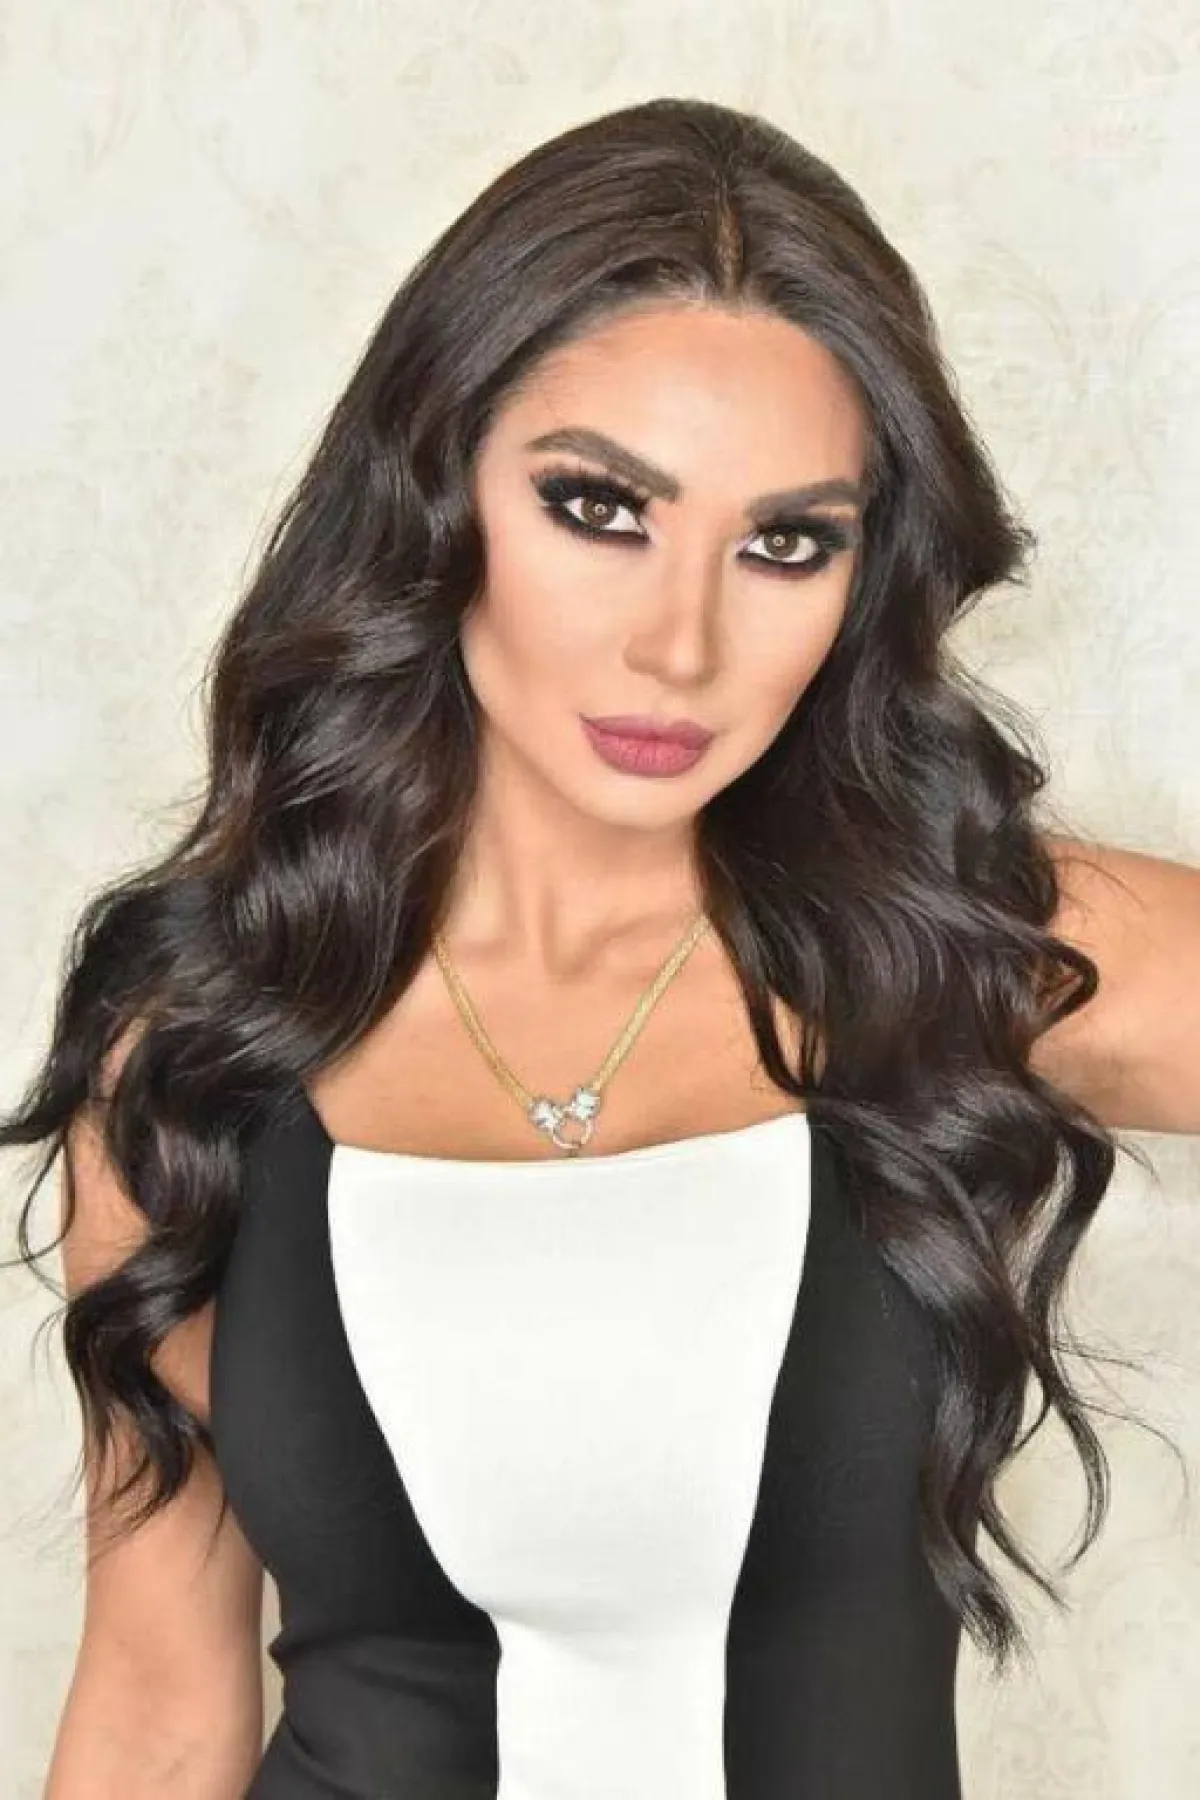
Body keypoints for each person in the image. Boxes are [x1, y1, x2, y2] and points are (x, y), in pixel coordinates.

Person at [5, 94, 1198, 1800]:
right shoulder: (202, 1037)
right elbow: (154, 1711)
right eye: (599, 507)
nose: (680, 645)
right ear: (437, 490)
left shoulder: (982, 950)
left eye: (784, 543)